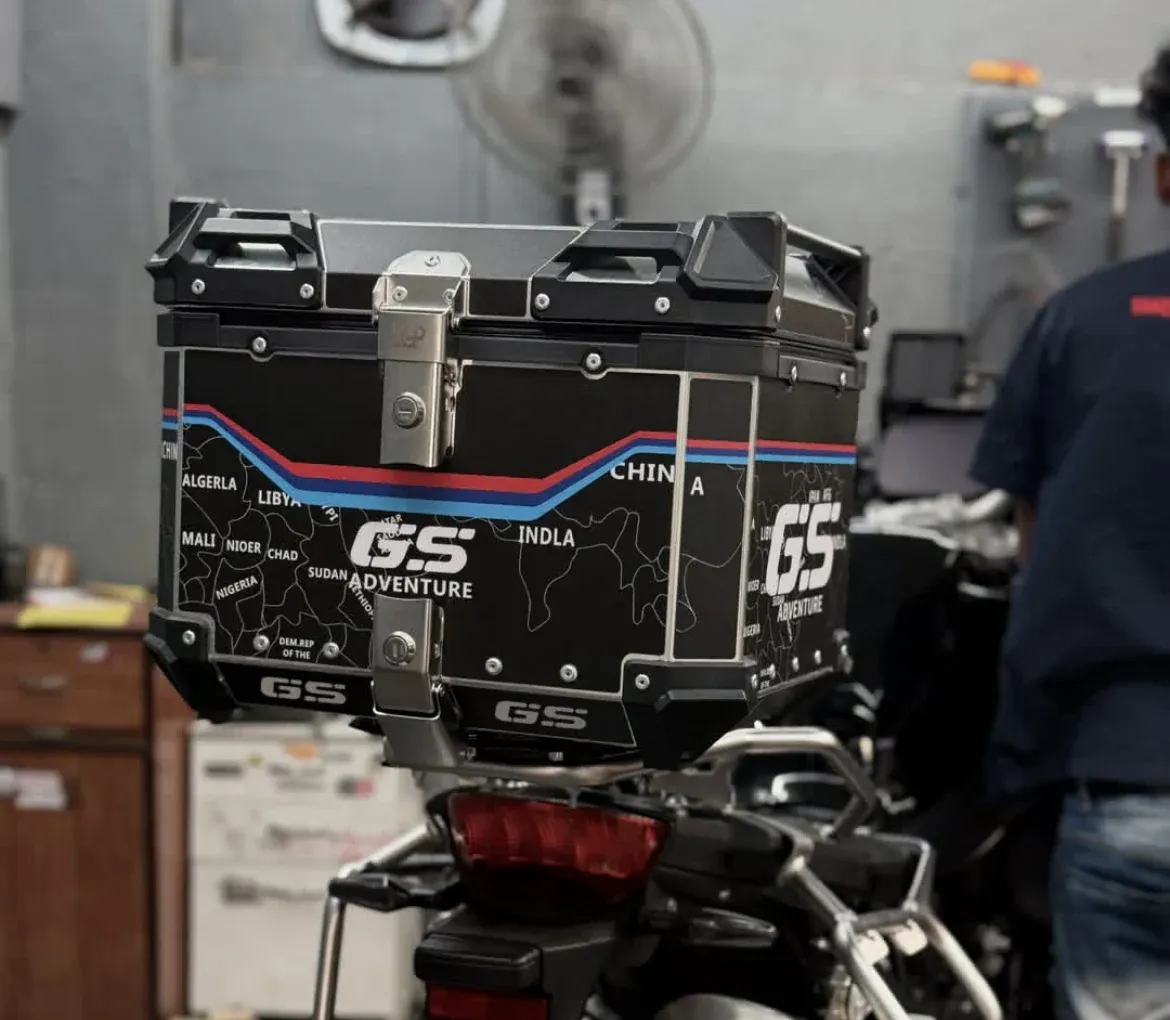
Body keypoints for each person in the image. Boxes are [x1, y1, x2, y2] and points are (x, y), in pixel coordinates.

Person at [969, 44, 1170, 1020]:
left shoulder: (1080, 322)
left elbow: (1035, 555)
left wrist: (1019, 768)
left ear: (1162, 174)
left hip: (1123, 783)